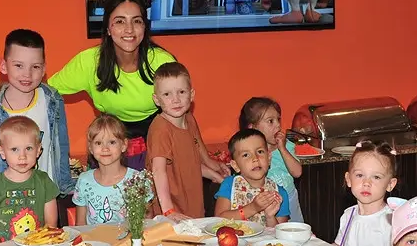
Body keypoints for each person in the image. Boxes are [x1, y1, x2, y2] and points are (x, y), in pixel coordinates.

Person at [0, 0, 175, 170]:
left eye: (137, 21)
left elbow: (181, 111)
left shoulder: (162, 61)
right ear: (108, 28)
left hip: (159, 146)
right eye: (120, 21)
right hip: (110, 147)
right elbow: (40, 86)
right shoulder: (89, 62)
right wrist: (1, 85)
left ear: (145, 27)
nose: (129, 29)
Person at [0, 29, 74, 224]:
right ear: (3, 65)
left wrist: (66, 185)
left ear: (44, 69)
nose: (27, 74)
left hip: (43, 207)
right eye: (18, 65)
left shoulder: (52, 100)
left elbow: (62, 147)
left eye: (35, 66)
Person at [146, 62, 229, 220]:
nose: (175, 100)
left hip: (192, 204)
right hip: (170, 209)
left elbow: (188, 163)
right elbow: (158, 170)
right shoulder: (160, 130)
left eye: (181, 92)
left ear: (191, 95)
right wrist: (168, 211)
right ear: (156, 99)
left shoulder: (189, 119)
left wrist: (216, 175)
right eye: (167, 94)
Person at [0, 116, 60, 245]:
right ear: (2, 152)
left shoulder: (44, 182)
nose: (22, 156)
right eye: (14, 149)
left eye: (28, 148)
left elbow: (51, 225)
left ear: (38, 150)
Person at [335, 139, 398, 246]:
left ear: (390, 184)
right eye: (359, 175)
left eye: (376, 177)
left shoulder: (391, 221)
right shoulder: (348, 214)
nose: (366, 183)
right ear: (348, 179)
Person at [73, 114, 147, 225]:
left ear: (124, 145)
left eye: (112, 142)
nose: (105, 148)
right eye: (98, 143)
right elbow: (80, 226)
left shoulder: (136, 180)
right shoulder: (84, 180)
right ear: (90, 148)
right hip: (93, 237)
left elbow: (145, 223)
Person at [238, 97, 303, 222]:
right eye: (270, 121)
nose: (278, 124)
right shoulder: (249, 154)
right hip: (266, 203)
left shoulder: (286, 146)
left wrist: (282, 148)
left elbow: (297, 172)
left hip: (290, 199)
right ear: (253, 128)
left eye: (278, 119)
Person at [214, 129, 290, 226]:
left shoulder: (279, 193)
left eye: (260, 151)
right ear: (235, 165)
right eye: (246, 155)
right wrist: (253, 208)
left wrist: (270, 217)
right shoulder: (229, 185)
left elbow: (279, 232)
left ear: (269, 158)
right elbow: (218, 220)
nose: (255, 158)